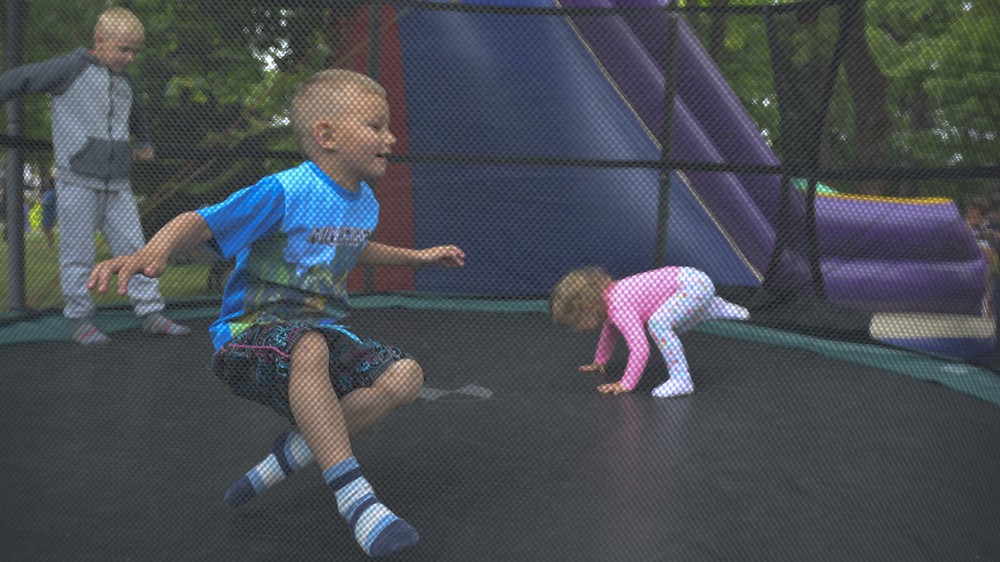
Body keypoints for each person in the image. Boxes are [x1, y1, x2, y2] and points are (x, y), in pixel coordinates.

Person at [89, 69, 466, 558]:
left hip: (321, 332)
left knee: (405, 376)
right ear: (327, 135)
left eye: (388, 127)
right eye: (376, 126)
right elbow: (201, 220)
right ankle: (356, 499)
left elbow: (353, 246)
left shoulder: (364, 204)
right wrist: (154, 250)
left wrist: (418, 257)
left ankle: (294, 451)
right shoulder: (285, 191)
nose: (390, 138)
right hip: (250, 335)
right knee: (306, 345)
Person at [0, 7, 190, 344]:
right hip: (77, 181)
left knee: (136, 250)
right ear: (99, 40)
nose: (130, 58)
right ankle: (80, 321)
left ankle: (151, 313)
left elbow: (136, 111)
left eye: (134, 51)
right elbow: (19, 79)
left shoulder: (125, 80)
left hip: (118, 183)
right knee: (77, 254)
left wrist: (143, 142)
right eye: (123, 49)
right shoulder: (70, 69)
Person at [550, 266, 749, 397]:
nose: (577, 329)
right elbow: (609, 332)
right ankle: (712, 307)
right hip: (695, 281)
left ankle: (681, 379)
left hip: (692, 287)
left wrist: (626, 384)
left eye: (577, 323)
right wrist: (599, 361)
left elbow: (640, 348)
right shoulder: (610, 296)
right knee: (670, 324)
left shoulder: (618, 307)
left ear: (588, 306)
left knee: (658, 325)